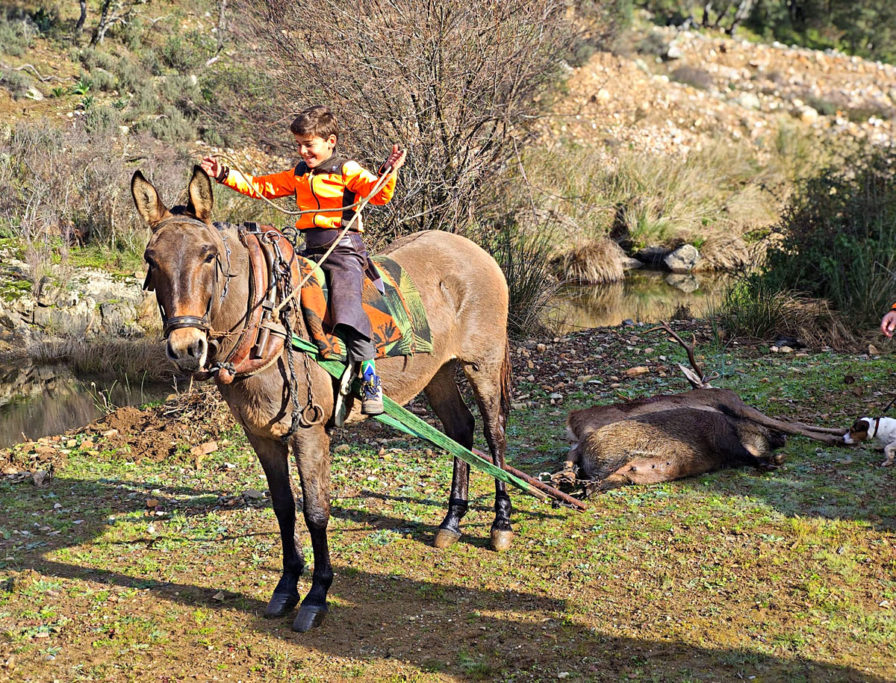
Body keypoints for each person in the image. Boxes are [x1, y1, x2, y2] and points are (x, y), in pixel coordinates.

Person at [200, 105, 406, 415]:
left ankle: (370, 379)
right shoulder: (298, 173)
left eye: (308, 144)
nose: (303, 150)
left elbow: (378, 194)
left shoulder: (346, 169)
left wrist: (388, 172)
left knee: (348, 305)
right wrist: (223, 175)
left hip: (343, 249)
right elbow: (261, 187)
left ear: (330, 141)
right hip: (310, 249)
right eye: (299, 144)